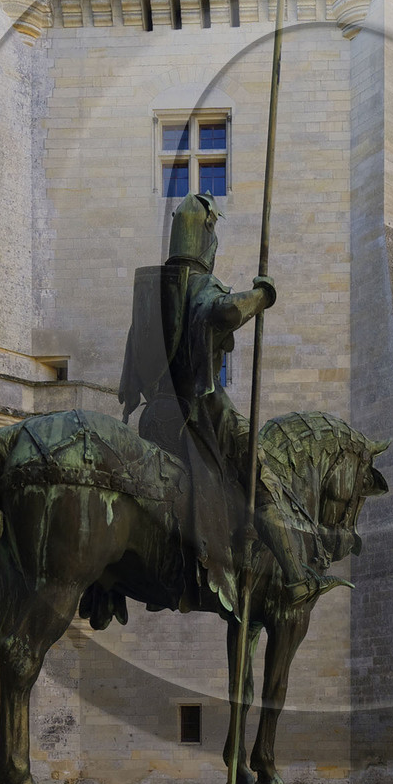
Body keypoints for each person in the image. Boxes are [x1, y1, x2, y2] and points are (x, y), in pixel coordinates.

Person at [118, 191, 279, 617]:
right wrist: (261, 297)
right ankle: (287, 567)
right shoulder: (200, 285)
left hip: (153, 419)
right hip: (198, 415)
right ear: (206, 237)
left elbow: (133, 355)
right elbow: (223, 313)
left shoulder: (149, 291)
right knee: (255, 463)